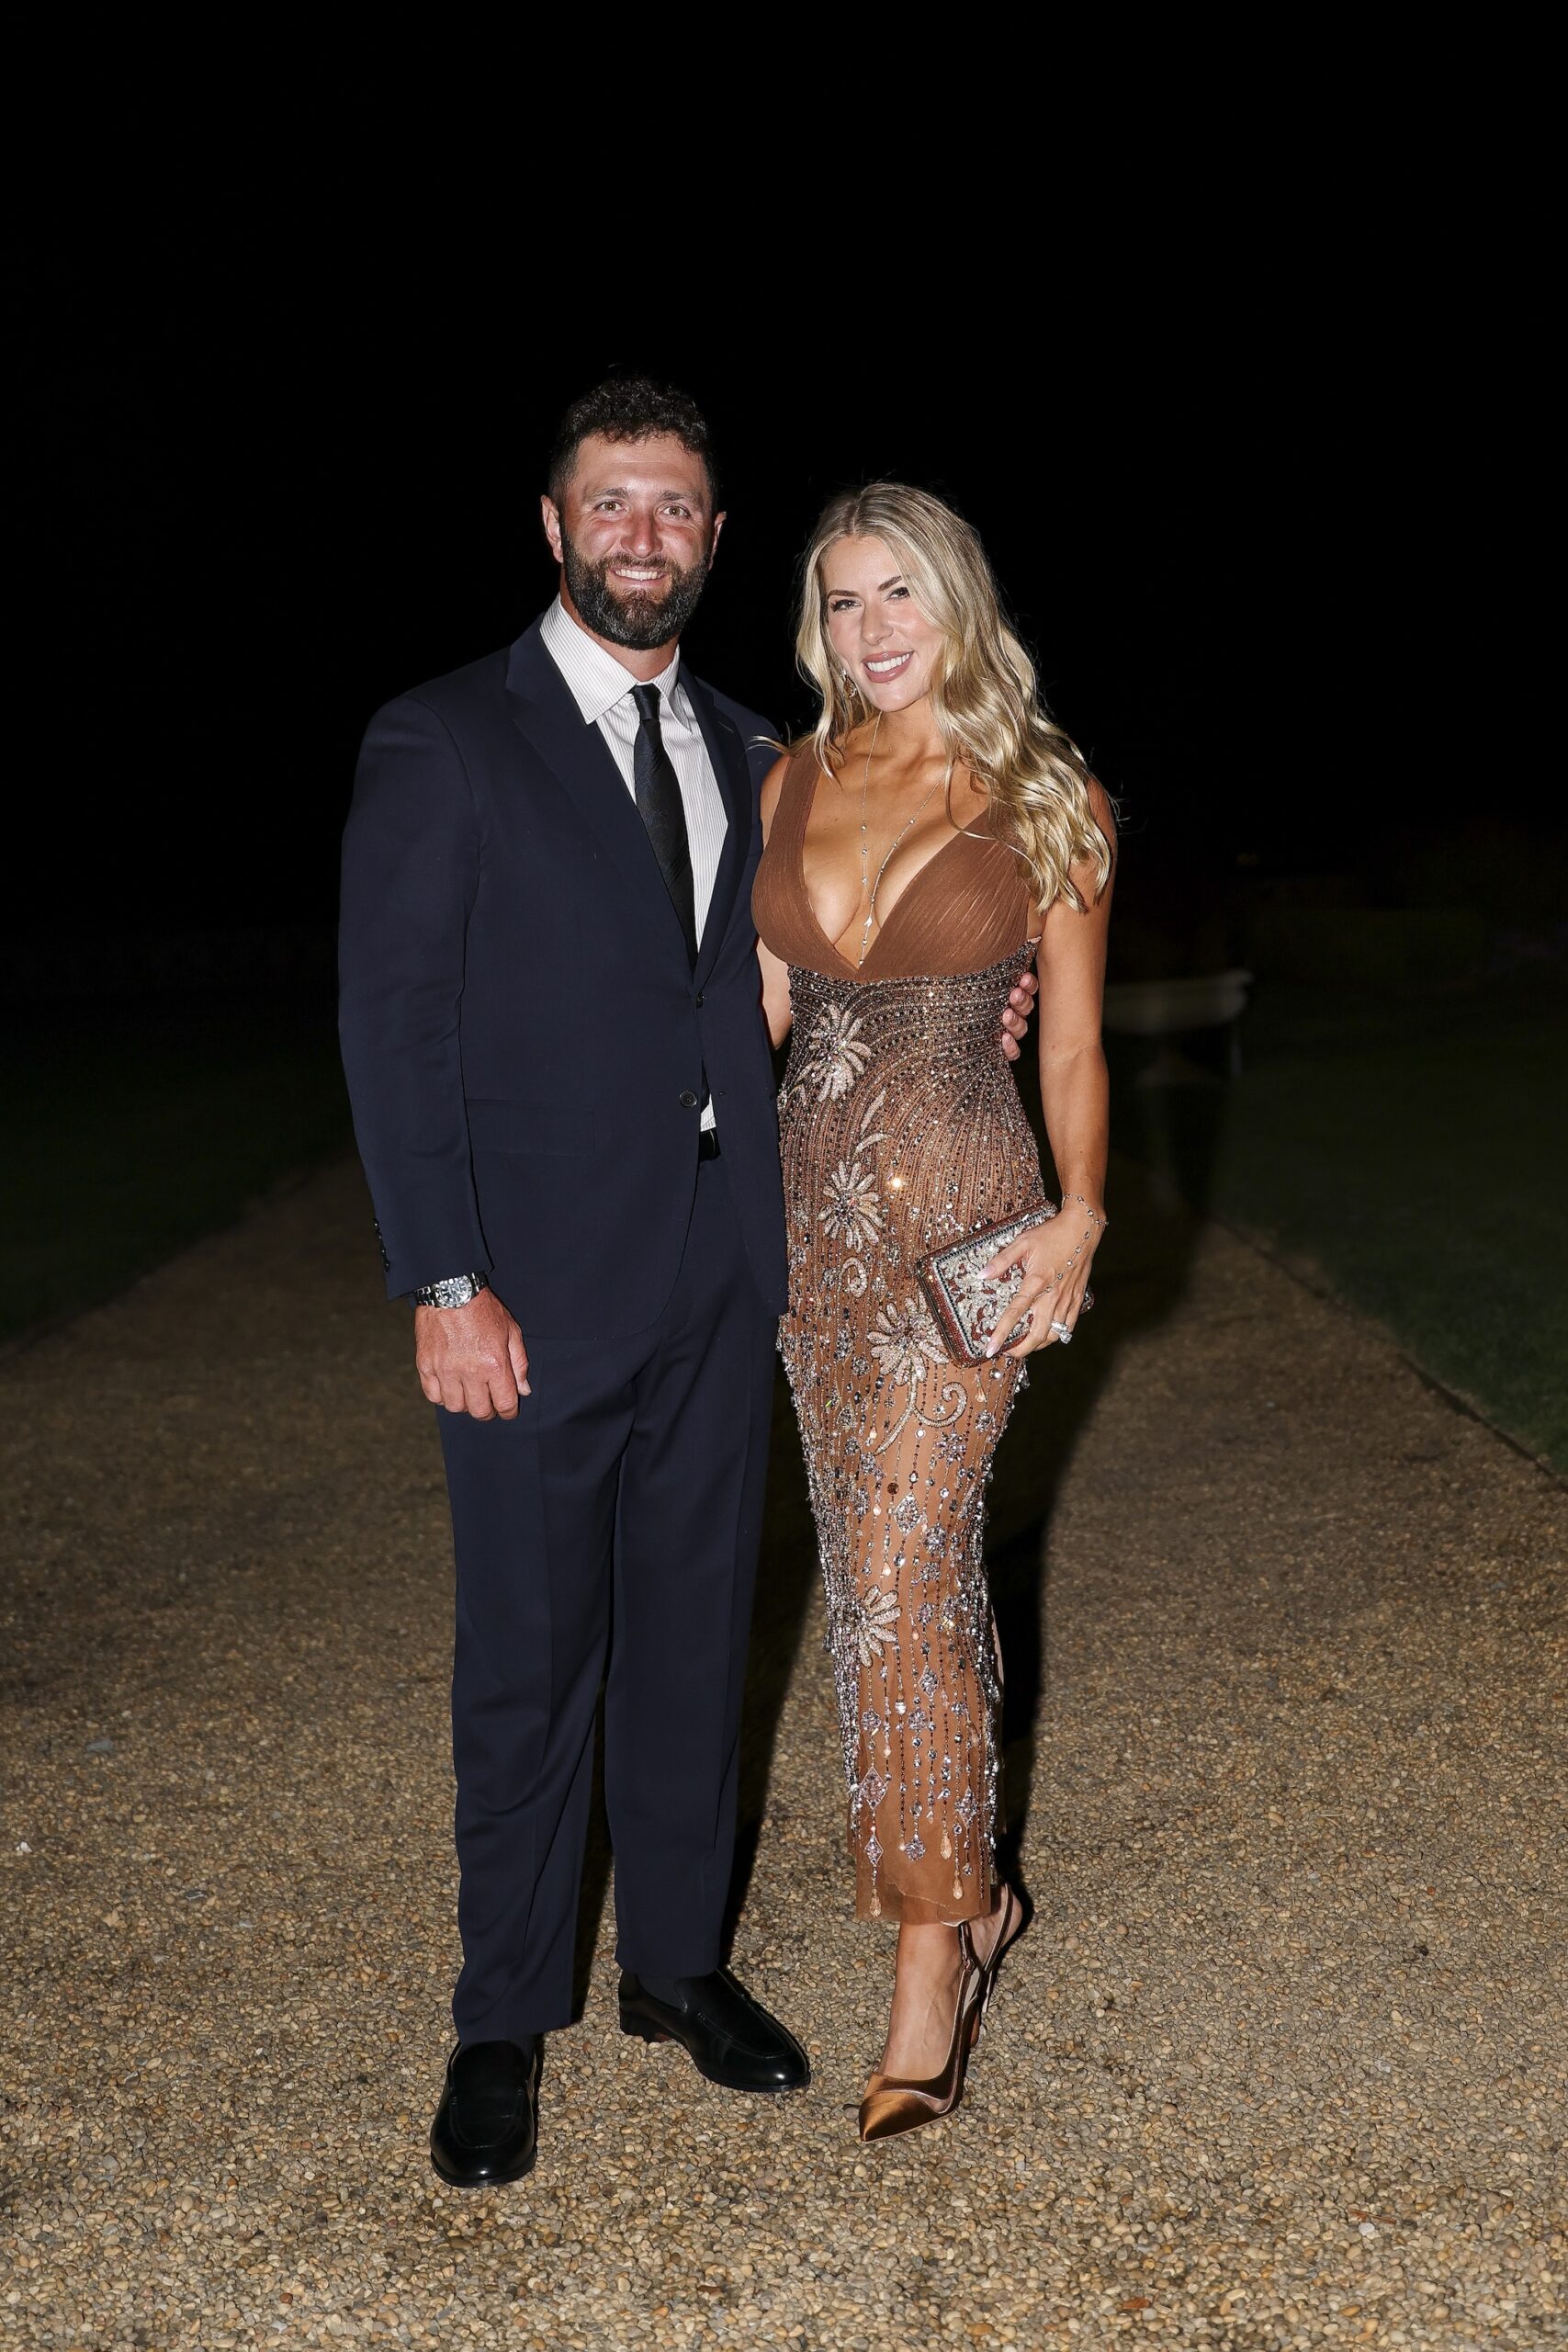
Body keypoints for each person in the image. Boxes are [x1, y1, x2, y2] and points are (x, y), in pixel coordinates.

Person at [339, 379, 1042, 2185]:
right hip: (530, 1288)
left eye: (676, 508)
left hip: (738, 1276)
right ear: (555, 525)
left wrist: (982, 1008)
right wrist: (441, 1272)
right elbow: (394, 1029)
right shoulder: (441, 741)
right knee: (526, 1653)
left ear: (715, 543)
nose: (643, 533)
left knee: (686, 1637)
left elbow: (829, 970)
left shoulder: (761, 753)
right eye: (612, 503)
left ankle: (673, 1963)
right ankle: (502, 2014)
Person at [752, 481, 1115, 2140]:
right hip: (810, 1244)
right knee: (899, 1564)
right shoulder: (791, 776)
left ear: (957, 604)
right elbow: (751, 1013)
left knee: (896, 1572)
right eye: (842, 602)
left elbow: (1072, 1046)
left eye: (900, 594)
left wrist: (1085, 1214)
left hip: (970, 1228)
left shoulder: (1050, 796)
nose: (872, 630)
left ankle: (925, 1963)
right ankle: (971, 1896)